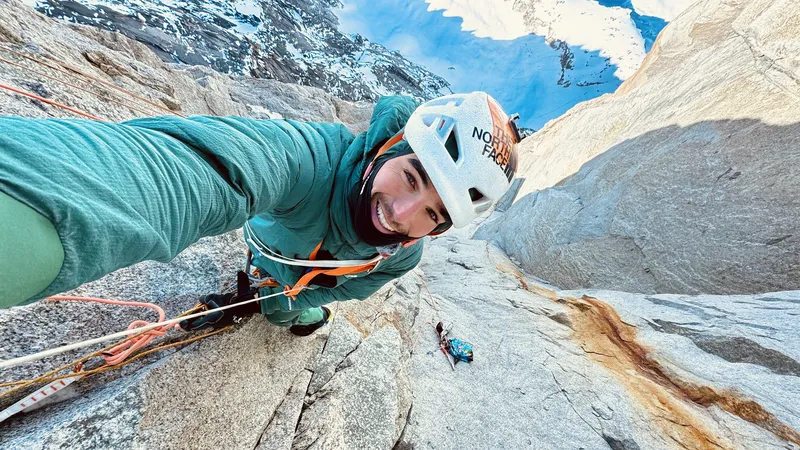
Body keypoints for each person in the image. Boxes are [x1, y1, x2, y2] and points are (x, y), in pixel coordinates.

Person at [0, 92, 521, 335]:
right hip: (267, 250)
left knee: (288, 315)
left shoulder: (402, 256)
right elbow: (210, 167)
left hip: (295, 278)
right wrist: (39, 215)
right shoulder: (310, 159)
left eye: (432, 215)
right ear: (389, 145)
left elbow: (358, 286)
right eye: (411, 177)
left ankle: (300, 313)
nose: (401, 214)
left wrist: (300, 295)